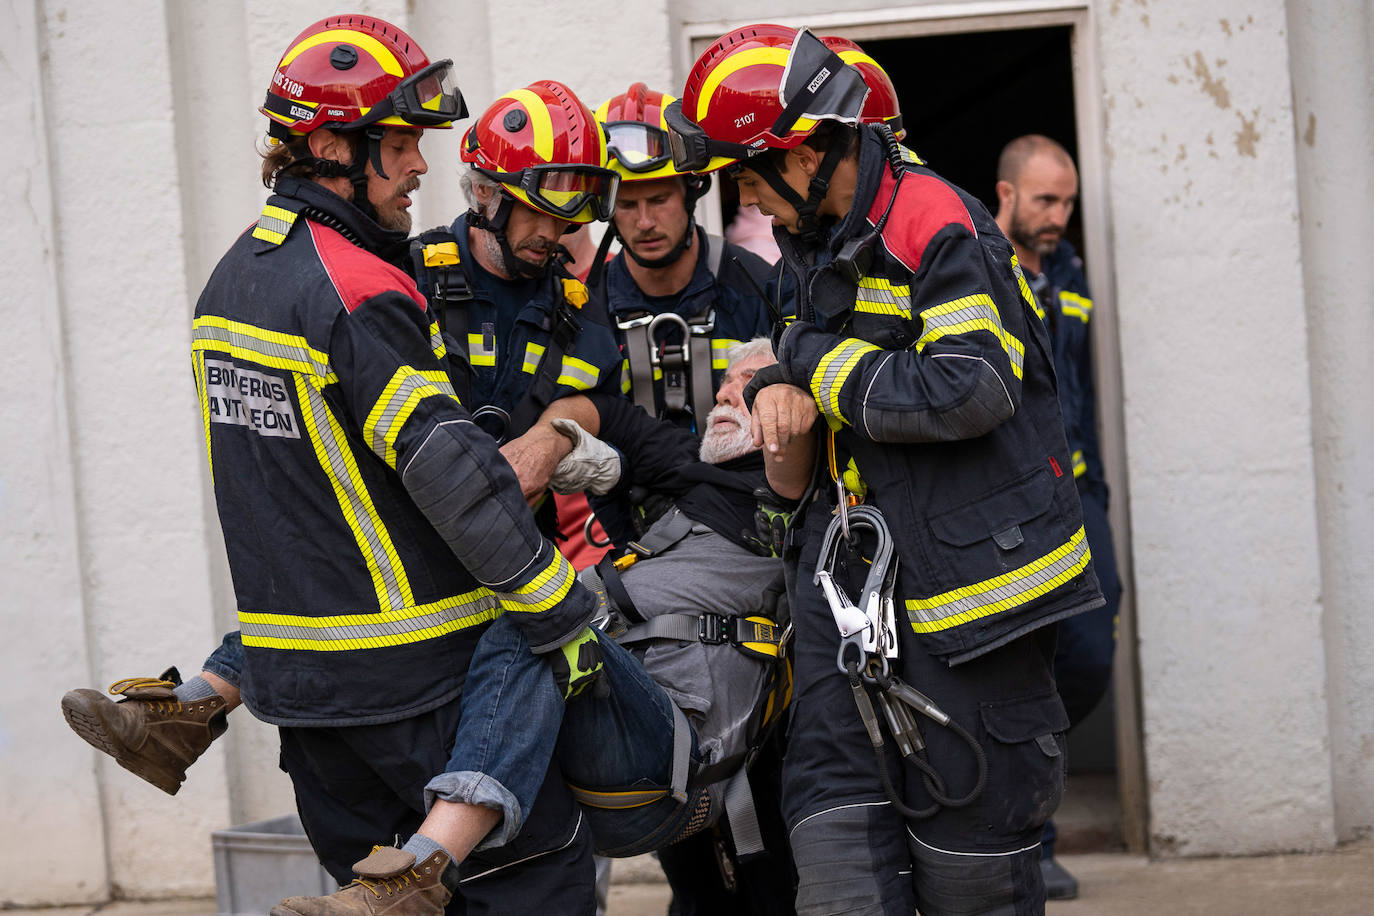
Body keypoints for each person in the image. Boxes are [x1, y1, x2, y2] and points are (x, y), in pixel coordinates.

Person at [61, 19, 619, 916]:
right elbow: (448, 475)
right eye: (398, 145)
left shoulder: (231, 280)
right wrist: (558, 602)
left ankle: (191, 702)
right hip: (417, 680)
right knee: (540, 876)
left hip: (305, 701)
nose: (419, 169)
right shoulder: (357, 286)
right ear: (327, 145)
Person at [665, 25, 1105, 915]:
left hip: (968, 613)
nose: (749, 203)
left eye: (751, 179)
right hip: (851, 603)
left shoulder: (932, 220)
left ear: (806, 151)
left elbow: (972, 385)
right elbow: (821, 376)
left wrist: (811, 376)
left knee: (970, 873)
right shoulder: (814, 241)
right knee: (835, 851)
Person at [994, 134, 1122, 901]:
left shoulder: (1070, 273)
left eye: (1067, 201)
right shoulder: (976, 265)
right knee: (1021, 663)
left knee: (1087, 658)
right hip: (1012, 504)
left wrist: (1098, 490)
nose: (1058, 215)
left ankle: (1024, 809)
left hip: (1079, 496)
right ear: (1004, 194)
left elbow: (1078, 386)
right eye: (1044, 199)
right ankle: (1028, 838)